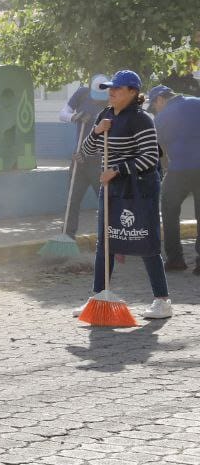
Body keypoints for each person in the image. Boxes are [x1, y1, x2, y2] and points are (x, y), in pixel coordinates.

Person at [73, 70, 171, 320]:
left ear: (132, 93)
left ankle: (162, 300)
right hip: (113, 189)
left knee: (146, 241)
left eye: (117, 88)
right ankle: (98, 297)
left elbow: (150, 157)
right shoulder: (105, 115)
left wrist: (116, 170)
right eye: (110, 88)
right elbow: (85, 153)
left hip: (141, 188)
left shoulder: (142, 119)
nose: (111, 92)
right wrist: (96, 131)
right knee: (106, 243)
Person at [148, 84, 200, 273]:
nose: (155, 110)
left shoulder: (161, 118)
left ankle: (175, 259)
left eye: (154, 106)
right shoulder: (197, 102)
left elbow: (159, 150)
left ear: (160, 99)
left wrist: (166, 168)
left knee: (169, 211)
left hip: (179, 170)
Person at [58, 74, 110, 238]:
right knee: (72, 201)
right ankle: (67, 236)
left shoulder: (113, 101)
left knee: (106, 201)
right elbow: (63, 113)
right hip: (79, 160)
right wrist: (75, 116)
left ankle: (111, 238)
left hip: (99, 161)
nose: (98, 101)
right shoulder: (81, 93)